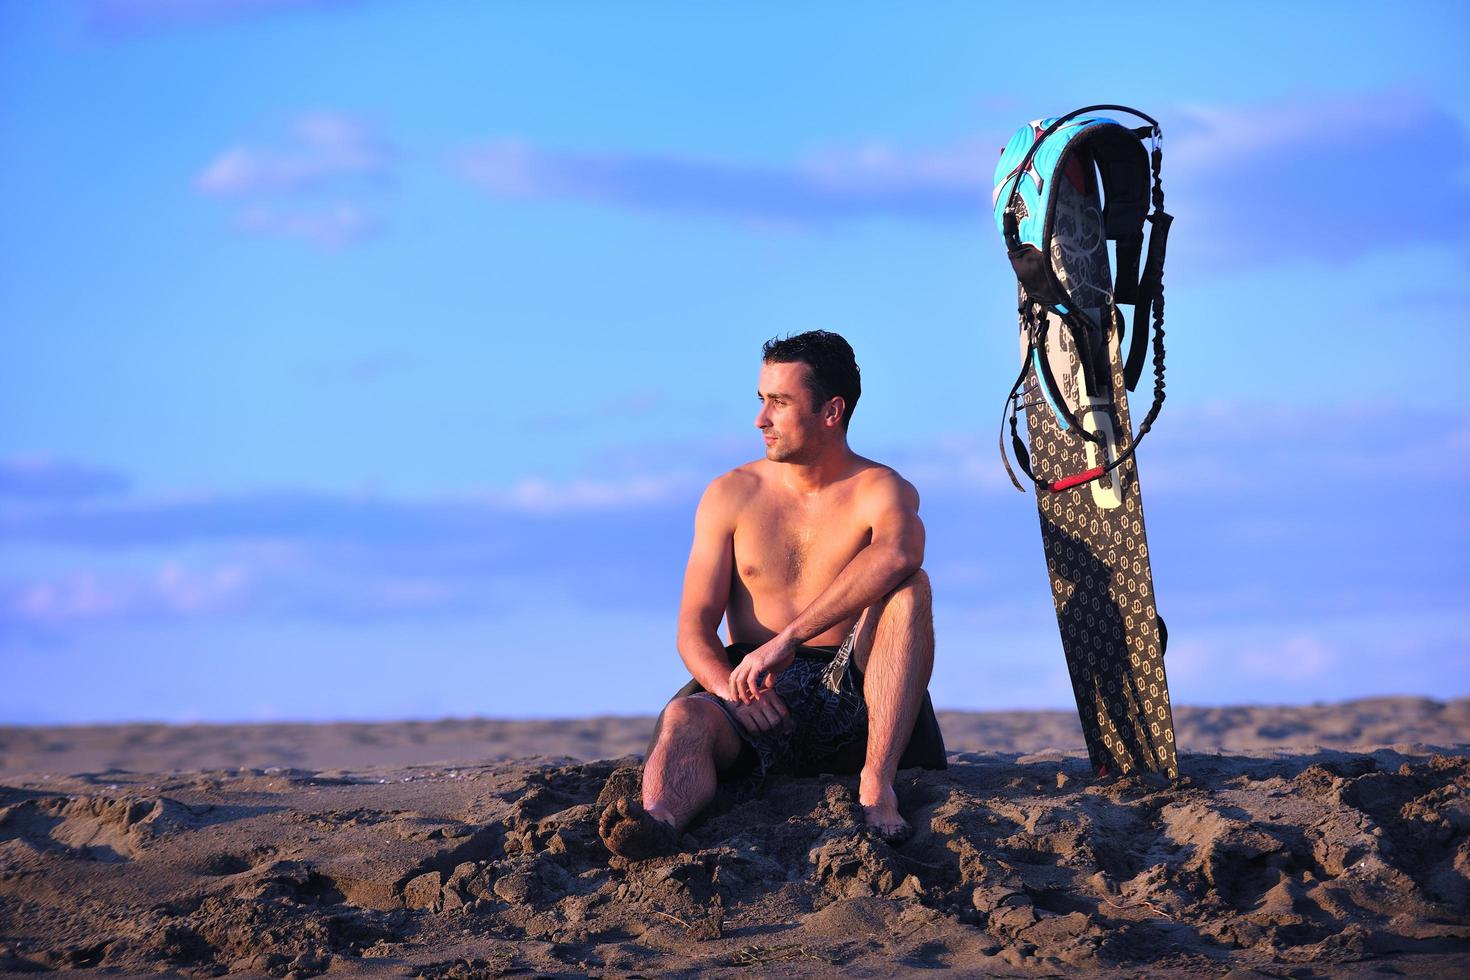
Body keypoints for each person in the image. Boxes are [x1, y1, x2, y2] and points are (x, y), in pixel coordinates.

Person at [599, 330, 946, 860]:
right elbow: (694, 628)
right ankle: (657, 824)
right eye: (761, 400)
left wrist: (787, 639)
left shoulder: (880, 488)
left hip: (853, 687)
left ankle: (876, 788)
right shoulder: (731, 494)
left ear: (831, 411)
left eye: (779, 403)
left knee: (909, 591)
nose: (761, 419)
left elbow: (901, 554)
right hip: (756, 691)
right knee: (685, 717)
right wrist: (731, 689)